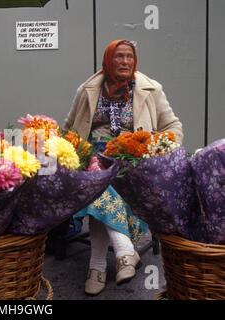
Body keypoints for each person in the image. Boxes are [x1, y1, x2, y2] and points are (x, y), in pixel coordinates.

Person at [63, 39, 183, 296]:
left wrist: (156, 149)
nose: (125, 62)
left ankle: (97, 267)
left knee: (102, 184)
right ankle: (125, 252)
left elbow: (173, 127)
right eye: (119, 56)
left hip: (132, 162)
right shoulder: (87, 90)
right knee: (99, 180)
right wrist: (71, 152)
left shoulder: (150, 89)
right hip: (93, 159)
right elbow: (68, 128)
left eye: (129, 57)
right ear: (108, 60)